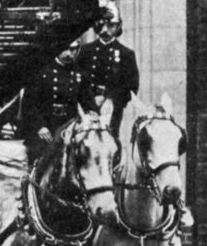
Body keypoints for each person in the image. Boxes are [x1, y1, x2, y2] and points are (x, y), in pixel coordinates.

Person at [76, 9, 139, 140]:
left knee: (110, 139)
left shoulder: (126, 54)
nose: (105, 30)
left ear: (118, 27)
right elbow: (77, 79)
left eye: (111, 25)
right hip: (87, 103)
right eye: (101, 25)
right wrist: (90, 101)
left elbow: (132, 85)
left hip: (112, 105)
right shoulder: (85, 51)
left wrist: (109, 98)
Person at [21, 40, 84, 166]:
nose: (68, 54)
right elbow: (29, 104)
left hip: (68, 125)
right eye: (65, 49)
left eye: (73, 50)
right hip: (45, 126)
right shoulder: (41, 70)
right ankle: (32, 182)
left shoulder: (79, 73)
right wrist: (39, 126)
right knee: (38, 157)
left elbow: (87, 101)